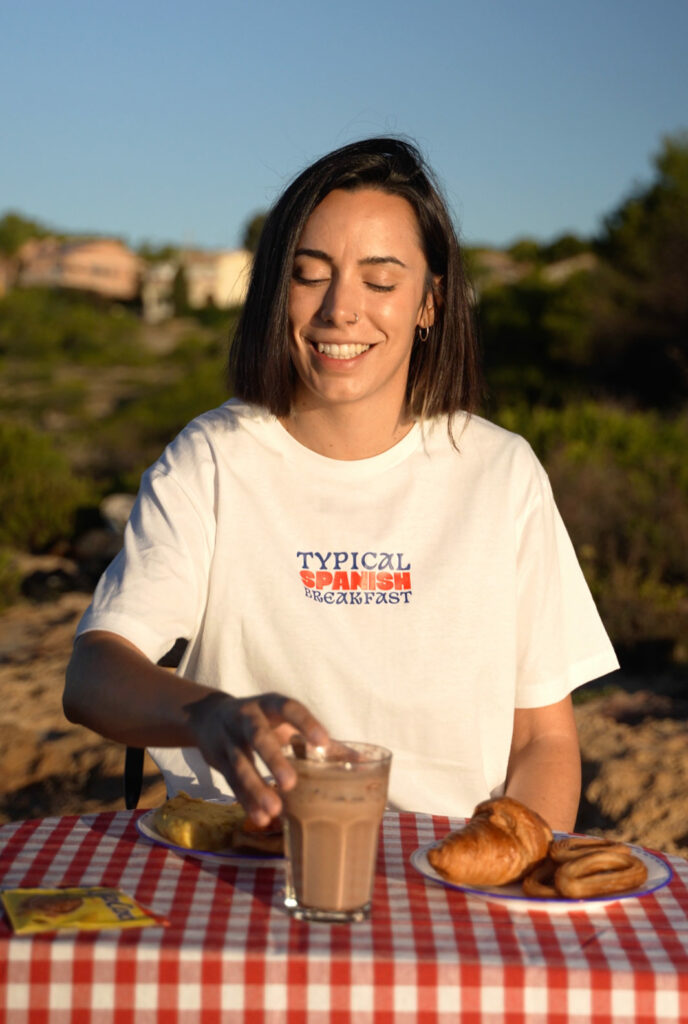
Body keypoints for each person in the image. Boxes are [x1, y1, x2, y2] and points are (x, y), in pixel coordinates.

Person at [64, 138, 618, 833]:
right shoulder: (213, 460)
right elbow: (92, 675)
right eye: (309, 273)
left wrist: (499, 877)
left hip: (442, 885)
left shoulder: (501, 474)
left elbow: (543, 740)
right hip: (249, 865)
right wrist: (208, 715)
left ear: (430, 303)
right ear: (275, 290)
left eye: (380, 281)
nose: (341, 309)